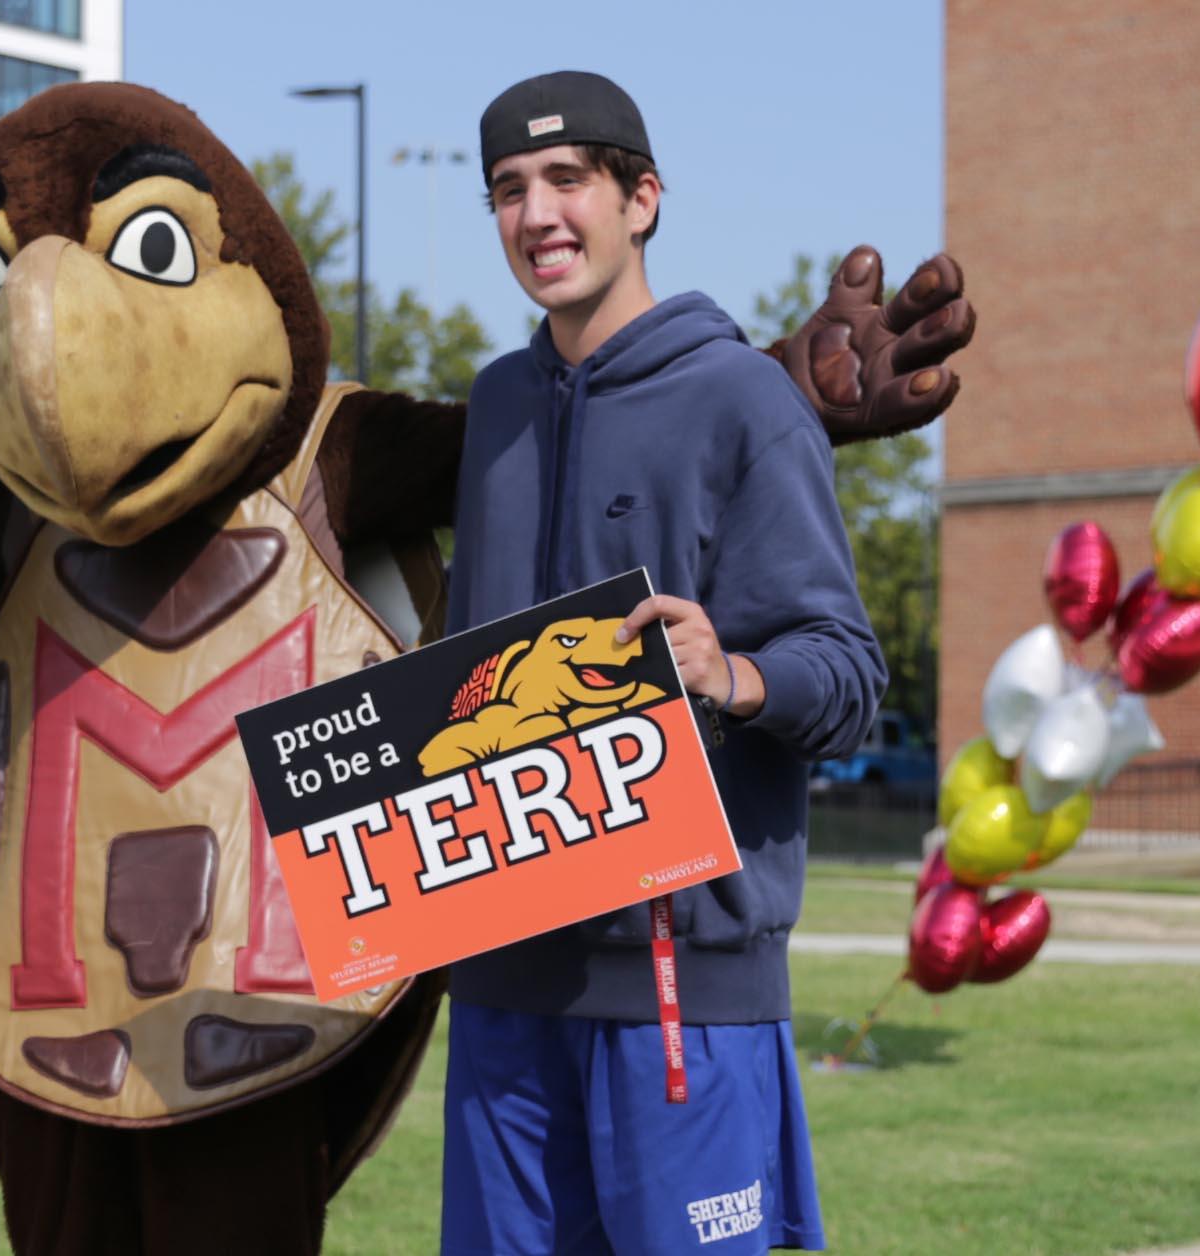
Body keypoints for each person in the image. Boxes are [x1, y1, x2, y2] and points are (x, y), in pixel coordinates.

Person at [439, 71, 893, 1254]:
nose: (535, 214)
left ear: (641, 199)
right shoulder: (491, 410)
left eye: (566, 180)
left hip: (680, 989)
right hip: (500, 983)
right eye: (506, 190)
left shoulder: (745, 401)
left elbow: (844, 672)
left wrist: (730, 672)